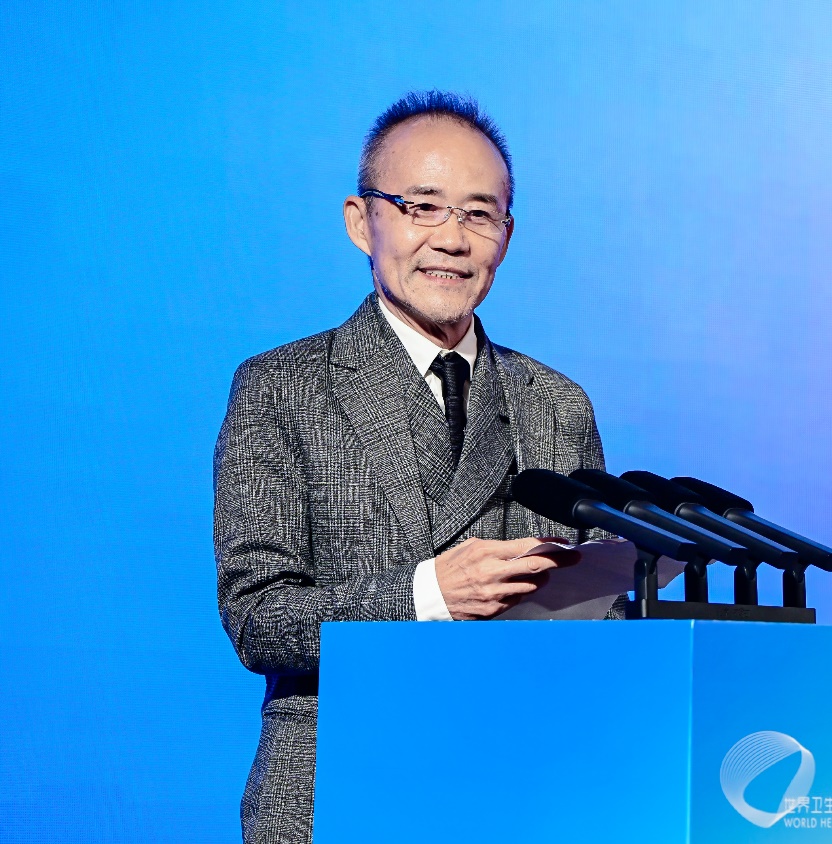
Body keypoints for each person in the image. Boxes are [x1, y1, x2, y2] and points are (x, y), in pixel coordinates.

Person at [213, 90, 618, 844]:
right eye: (422, 207)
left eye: (479, 214)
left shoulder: (557, 403)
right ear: (360, 222)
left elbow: (600, 621)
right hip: (337, 787)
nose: (452, 239)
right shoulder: (281, 387)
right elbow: (259, 619)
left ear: (506, 235)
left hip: (523, 785)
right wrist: (428, 593)